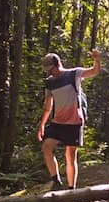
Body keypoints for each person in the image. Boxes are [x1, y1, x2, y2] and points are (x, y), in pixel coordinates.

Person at [37, 48, 102, 189]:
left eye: (51, 69)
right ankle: (56, 181)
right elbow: (48, 106)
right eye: (48, 70)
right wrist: (42, 124)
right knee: (47, 147)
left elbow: (94, 71)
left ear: (58, 64)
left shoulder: (74, 74)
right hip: (57, 122)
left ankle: (71, 189)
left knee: (70, 156)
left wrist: (97, 59)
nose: (50, 72)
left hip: (74, 122)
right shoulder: (50, 82)